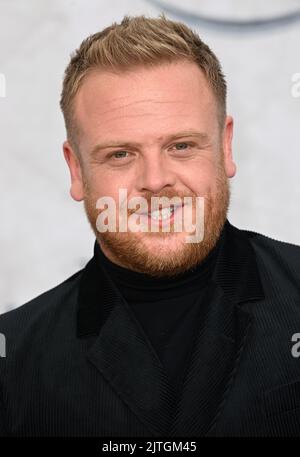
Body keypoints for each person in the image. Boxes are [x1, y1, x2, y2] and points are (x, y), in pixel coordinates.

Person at [1, 13, 300, 437]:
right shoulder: (11, 360)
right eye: (121, 154)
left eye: (181, 146)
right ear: (77, 170)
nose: (155, 180)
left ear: (226, 145)